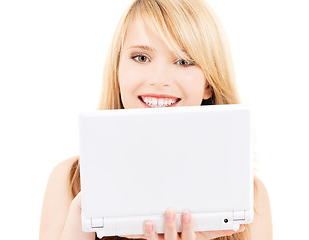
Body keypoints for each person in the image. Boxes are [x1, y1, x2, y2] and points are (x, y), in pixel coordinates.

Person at [39, 0, 273, 239]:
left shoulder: (250, 195)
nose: (159, 79)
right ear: (117, 71)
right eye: (141, 58)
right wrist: (81, 225)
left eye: (184, 61)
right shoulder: (70, 180)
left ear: (209, 85)